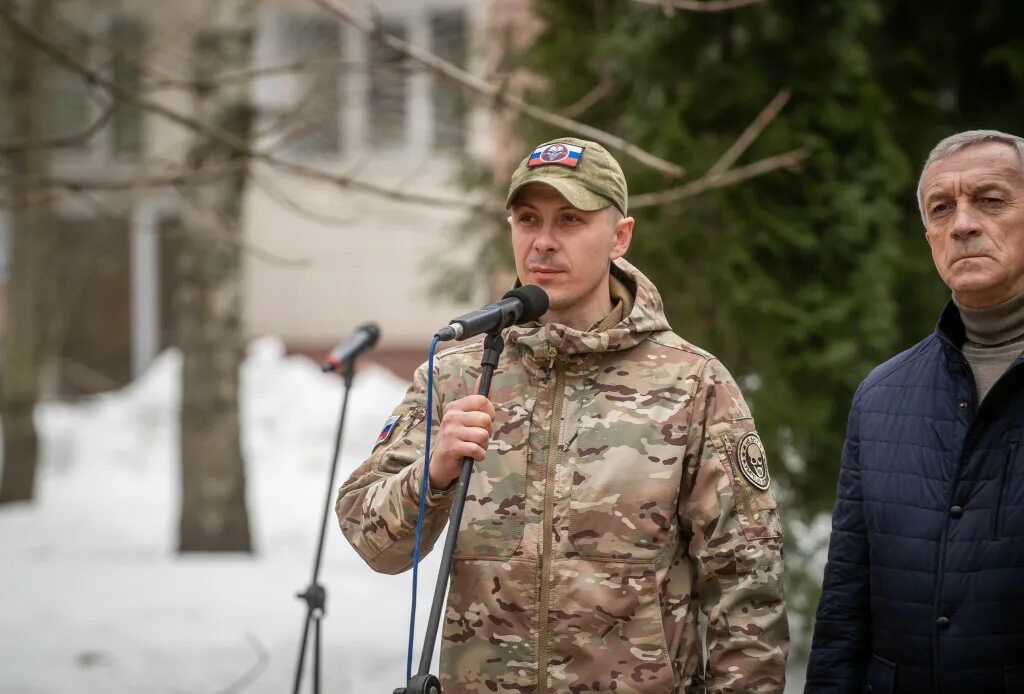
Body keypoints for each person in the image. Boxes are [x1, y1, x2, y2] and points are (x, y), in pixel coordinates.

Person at [337, 136, 789, 693]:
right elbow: (370, 541)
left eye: (570, 220)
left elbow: (746, 585)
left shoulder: (692, 383)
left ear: (620, 237)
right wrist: (433, 471)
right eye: (528, 219)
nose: (543, 242)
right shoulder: (457, 374)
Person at [806, 129, 1024, 693]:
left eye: (991, 200)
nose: (964, 224)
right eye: (941, 208)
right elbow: (845, 607)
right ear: (928, 236)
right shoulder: (882, 395)